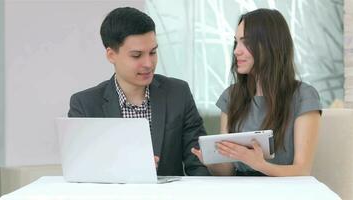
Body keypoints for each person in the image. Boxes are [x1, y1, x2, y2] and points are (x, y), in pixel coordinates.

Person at [68, 7, 210, 176]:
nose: (149, 63)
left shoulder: (178, 93)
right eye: (137, 55)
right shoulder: (85, 105)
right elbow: (82, 171)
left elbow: (198, 164)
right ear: (111, 55)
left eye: (153, 52)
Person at [192, 8, 321, 176]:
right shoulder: (231, 96)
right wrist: (211, 161)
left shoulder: (303, 96)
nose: (237, 51)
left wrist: (259, 164)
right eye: (236, 42)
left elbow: (302, 170)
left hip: (286, 190)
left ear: (270, 45)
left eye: (245, 42)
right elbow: (228, 171)